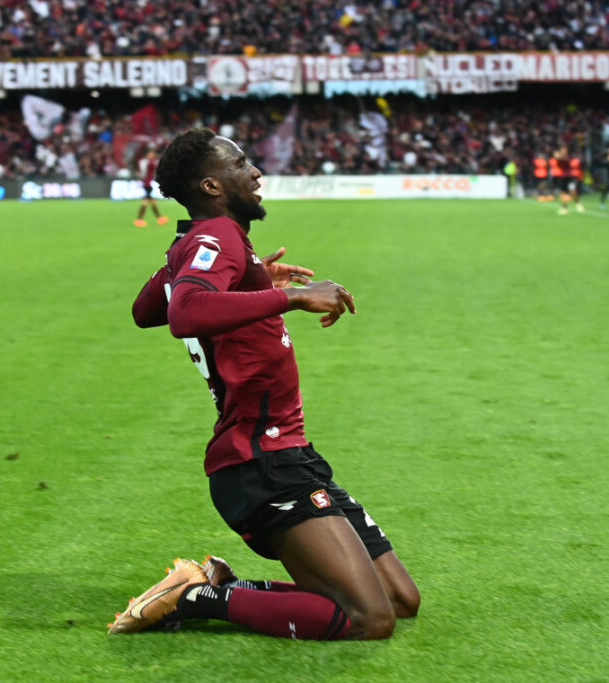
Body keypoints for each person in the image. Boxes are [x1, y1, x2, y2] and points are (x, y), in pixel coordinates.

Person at [112, 129, 420, 640]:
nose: (256, 172)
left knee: (399, 599)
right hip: (259, 461)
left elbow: (148, 309)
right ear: (211, 185)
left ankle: (221, 581)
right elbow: (184, 311)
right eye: (241, 163)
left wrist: (251, 277)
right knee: (369, 619)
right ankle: (194, 598)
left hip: (289, 453)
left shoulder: (203, 241)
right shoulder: (217, 237)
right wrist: (291, 298)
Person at [134, 148, 169, 227]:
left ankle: (159, 218)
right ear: (147, 154)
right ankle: (139, 220)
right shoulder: (145, 162)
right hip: (147, 184)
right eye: (151, 153)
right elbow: (143, 173)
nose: (152, 155)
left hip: (149, 183)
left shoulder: (151, 162)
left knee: (152, 202)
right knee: (146, 202)